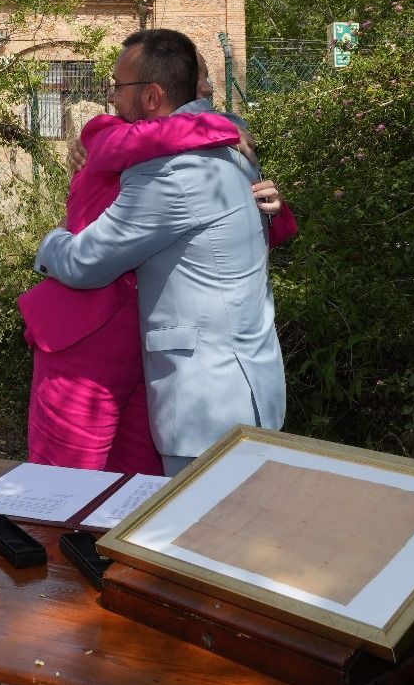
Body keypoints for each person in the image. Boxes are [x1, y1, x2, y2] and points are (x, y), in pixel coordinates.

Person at [35, 29, 287, 475]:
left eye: (117, 86)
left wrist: (52, 240)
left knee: (180, 528)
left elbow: (83, 263)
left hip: (205, 403)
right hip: (243, 386)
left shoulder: (174, 171)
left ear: (151, 96)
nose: (111, 98)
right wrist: (223, 125)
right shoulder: (230, 151)